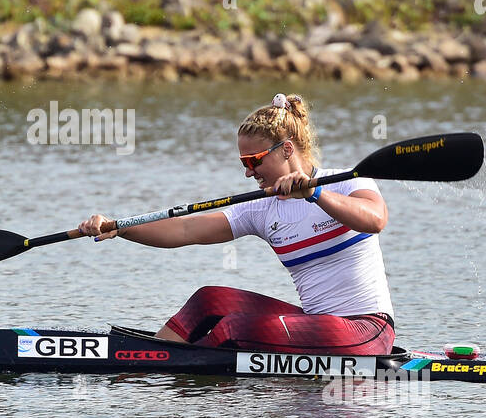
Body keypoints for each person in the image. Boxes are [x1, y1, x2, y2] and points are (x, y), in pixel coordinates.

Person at [78, 93, 396, 354]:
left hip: (366, 331)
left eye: (253, 161)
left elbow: (375, 220)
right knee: (210, 300)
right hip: (317, 326)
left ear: (286, 149)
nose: (248, 172)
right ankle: (149, 358)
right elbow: (186, 230)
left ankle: (166, 365)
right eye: (243, 163)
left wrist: (316, 195)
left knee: (235, 328)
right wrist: (120, 228)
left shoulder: (346, 184)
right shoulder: (260, 208)